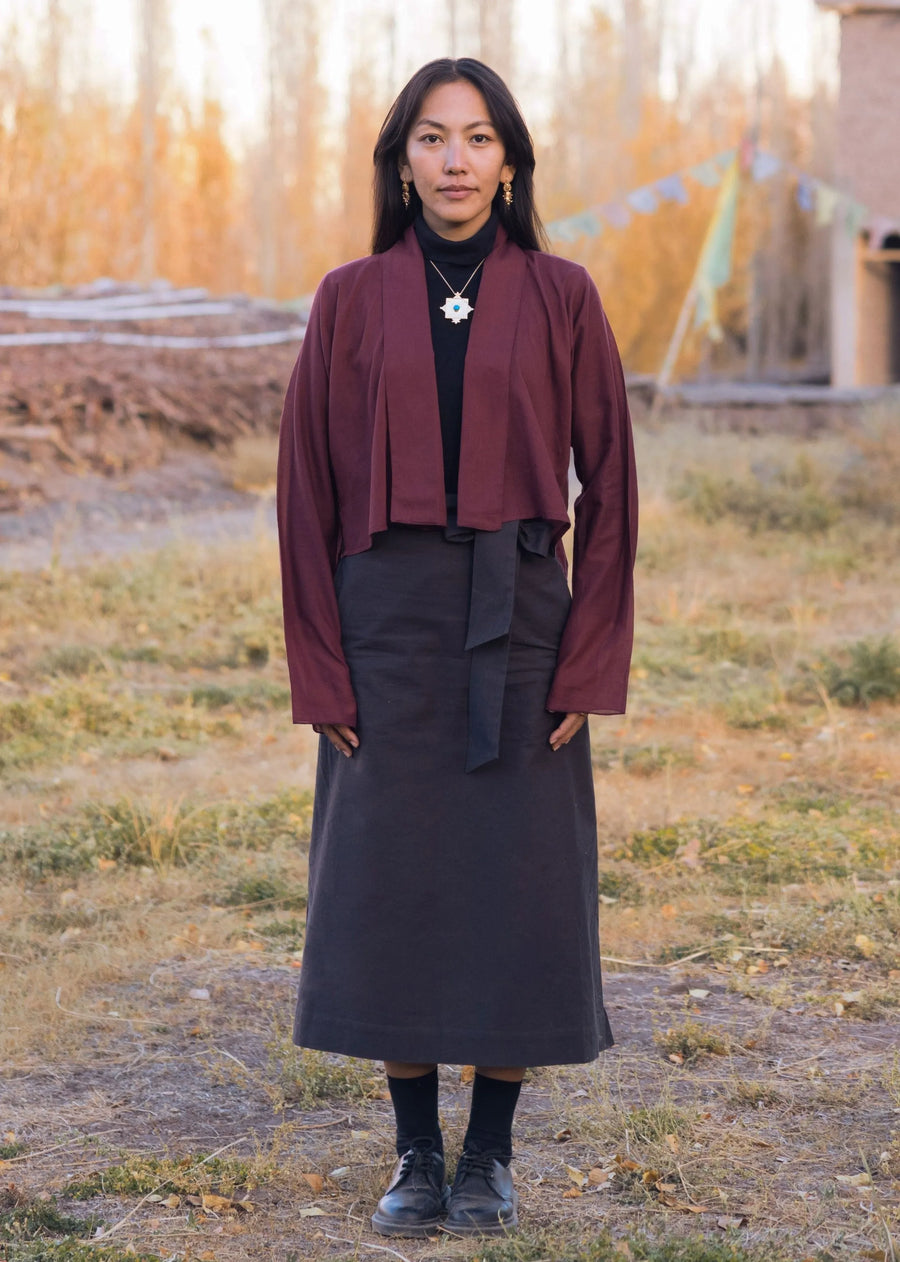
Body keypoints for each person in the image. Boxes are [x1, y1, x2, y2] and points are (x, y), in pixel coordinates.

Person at [276, 57, 637, 1239]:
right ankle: (413, 1152)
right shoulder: (347, 296)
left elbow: (614, 489)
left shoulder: (565, 294)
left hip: (524, 620)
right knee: (392, 886)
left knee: (517, 889)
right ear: (401, 160)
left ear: (511, 159)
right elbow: (304, 494)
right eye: (431, 139)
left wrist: (587, 657)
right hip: (385, 626)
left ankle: (488, 1155)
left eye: (478, 139)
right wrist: (321, 664)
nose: (455, 161)